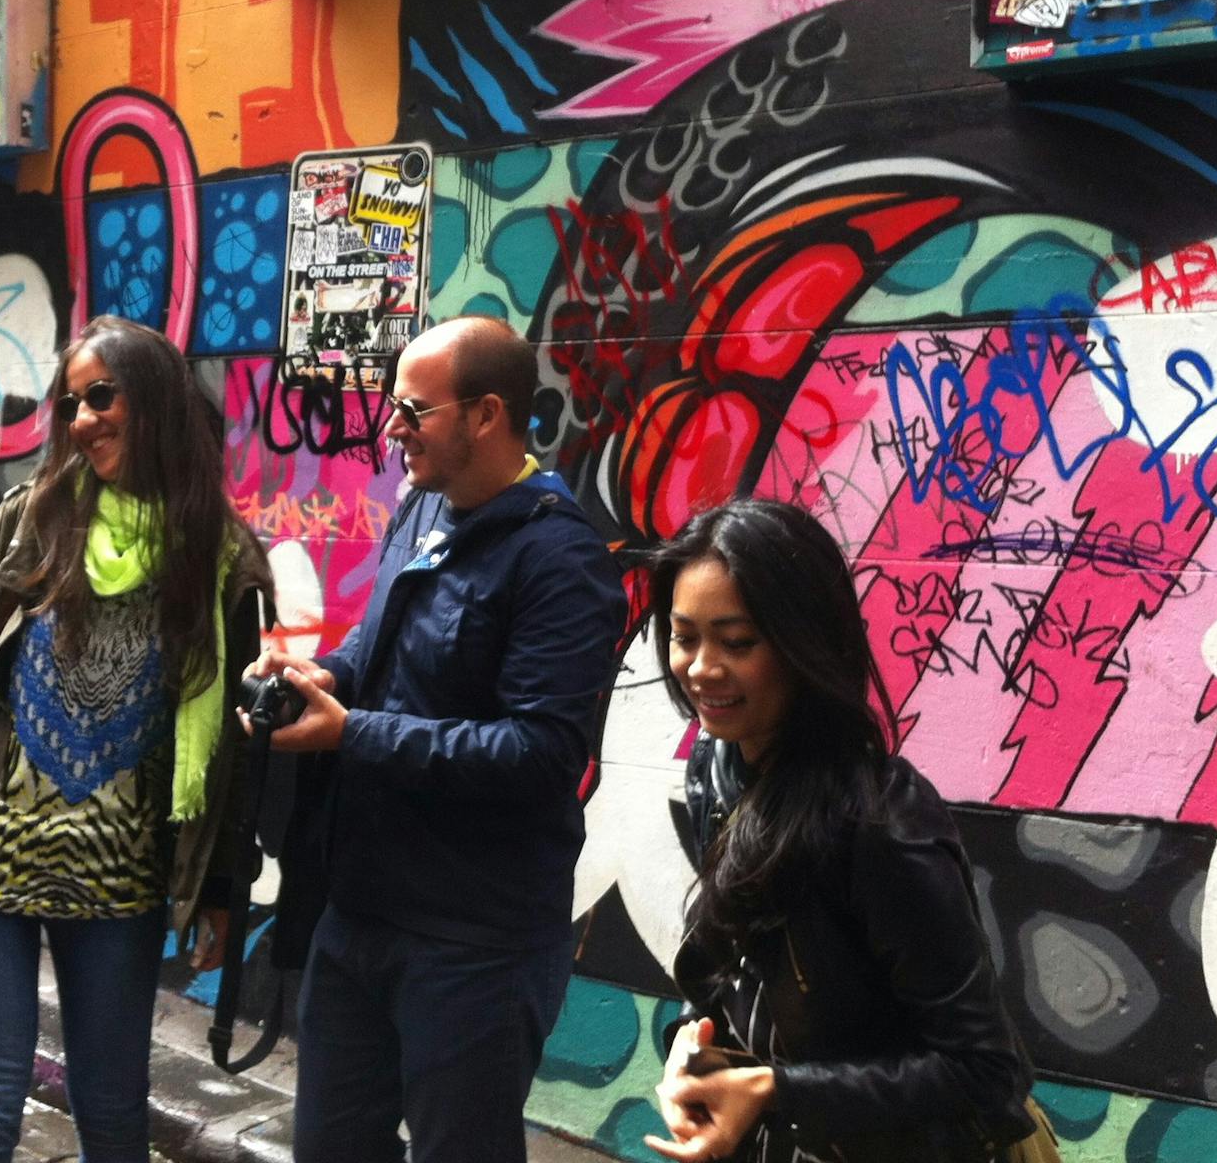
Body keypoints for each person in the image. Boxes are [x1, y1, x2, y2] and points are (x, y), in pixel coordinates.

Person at [0, 316, 273, 1162]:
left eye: (101, 396)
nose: (83, 419)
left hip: (122, 889)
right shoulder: (32, 519)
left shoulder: (219, 558)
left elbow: (234, 743)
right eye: (70, 404)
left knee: (114, 1110)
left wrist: (222, 887)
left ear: (155, 402)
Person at [246, 315, 627, 1163]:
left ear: (487, 415)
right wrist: (316, 680)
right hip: (362, 911)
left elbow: (540, 754)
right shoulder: (421, 509)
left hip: (475, 945)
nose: (392, 428)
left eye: (413, 411)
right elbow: (373, 650)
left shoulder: (561, 560)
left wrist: (352, 733)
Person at [644, 498, 1043, 1163]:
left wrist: (775, 1089)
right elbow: (737, 968)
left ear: (803, 644)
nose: (702, 668)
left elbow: (985, 1072)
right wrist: (693, 1044)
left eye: (737, 642)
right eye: (685, 638)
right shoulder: (717, 768)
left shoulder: (881, 822)